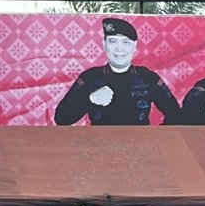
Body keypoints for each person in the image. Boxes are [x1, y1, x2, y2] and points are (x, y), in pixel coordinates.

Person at [53, 18, 181, 126]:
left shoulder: (148, 78)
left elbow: (176, 115)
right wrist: (89, 99)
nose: (119, 49)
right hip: (100, 148)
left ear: (134, 46)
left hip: (139, 149)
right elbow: (61, 118)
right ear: (104, 44)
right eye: (113, 41)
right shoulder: (90, 78)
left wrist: (155, 137)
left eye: (126, 42)